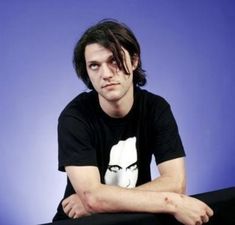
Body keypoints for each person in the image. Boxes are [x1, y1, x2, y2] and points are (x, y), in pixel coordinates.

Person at [53, 19, 213, 225]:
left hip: (136, 217)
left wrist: (102, 201)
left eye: (114, 60)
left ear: (134, 60)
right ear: (87, 72)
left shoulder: (156, 108)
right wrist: (171, 202)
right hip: (80, 221)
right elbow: (92, 198)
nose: (106, 74)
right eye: (94, 65)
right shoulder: (74, 118)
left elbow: (176, 184)